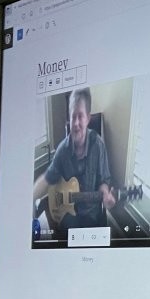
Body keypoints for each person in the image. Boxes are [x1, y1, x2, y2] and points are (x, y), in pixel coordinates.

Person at [33, 87, 115, 234]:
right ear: (68, 119)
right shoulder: (62, 150)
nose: (76, 123)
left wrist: (106, 196)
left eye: (80, 116)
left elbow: (104, 180)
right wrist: (29, 198)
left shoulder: (98, 144)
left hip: (92, 214)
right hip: (69, 213)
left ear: (88, 118)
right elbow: (47, 178)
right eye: (73, 117)